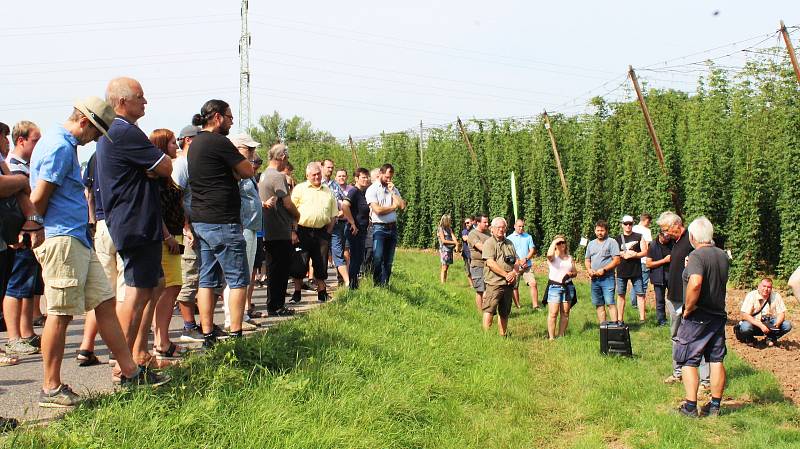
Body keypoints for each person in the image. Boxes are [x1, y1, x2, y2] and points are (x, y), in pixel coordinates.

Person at [30, 98, 169, 407]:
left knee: (105, 303)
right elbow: (39, 197)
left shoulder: (59, 140)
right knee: (61, 312)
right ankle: (51, 387)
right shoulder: (60, 146)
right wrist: (32, 226)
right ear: (85, 122)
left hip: (78, 237)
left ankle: (131, 373)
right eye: (97, 132)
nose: (96, 139)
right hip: (62, 238)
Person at [96, 77, 173, 367]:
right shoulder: (123, 132)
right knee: (138, 290)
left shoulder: (119, 132)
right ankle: (124, 366)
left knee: (155, 284)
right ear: (122, 102)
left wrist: (150, 170)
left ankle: (139, 353)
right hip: (134, 221)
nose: (145, 102)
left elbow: (160, 169)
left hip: (139, 220)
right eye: (140, 97)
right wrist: (152, 169)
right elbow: (165, 167)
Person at [188, 99, 254, 347]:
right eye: (229, 116)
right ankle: (236, 336)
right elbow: (247, 170)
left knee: (207, 278)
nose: (231, 121)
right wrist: (237, 166)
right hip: (223, 221)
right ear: (216, 117)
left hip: (202, 220)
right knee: (238, 279)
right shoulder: (219, 142)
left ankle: (207, 335)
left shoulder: (195, 144)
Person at [675, 217, 729, 418]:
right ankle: (714, 406)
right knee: (716, 359)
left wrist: (688, 308)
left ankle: (690, 407)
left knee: (689, 359)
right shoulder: (722, 255)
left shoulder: (697, 255)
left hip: (698, 315)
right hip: (718, 314)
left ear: (692, 236)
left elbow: (696, 283)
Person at [3, 121, 43, 356]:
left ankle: (26, 333)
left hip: (32, 233)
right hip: (21, 233)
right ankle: (13, 337)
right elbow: (22, 199)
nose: (38, 145)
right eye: (35, 140)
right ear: (22, 140)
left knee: (29, 285)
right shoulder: (13, 167)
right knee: (15, 286)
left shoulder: (26, 166)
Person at [148, 129, 188, 363]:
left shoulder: (167, 175)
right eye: (173, 142)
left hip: (175, 235)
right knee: (169, 287)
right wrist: (166, 236)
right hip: (166, 239)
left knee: (173, 286)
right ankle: (161, 341)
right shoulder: (156, 179)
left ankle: (162, 339)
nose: (177, 145)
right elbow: (155, 210)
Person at [659, 211, 710, 387]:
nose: (665, 232)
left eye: (666, 228)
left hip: (689, 298)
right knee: (676, 337)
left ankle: (705, 380)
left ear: (676, 225)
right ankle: (678, 372)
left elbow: (708, 251)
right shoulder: (676, 241)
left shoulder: (692, 237)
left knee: (697, 338)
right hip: (673, 297)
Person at [221, 133, 263, 332]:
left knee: (245, 275)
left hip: (252, 227)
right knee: (237, 275)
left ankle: (242, 314)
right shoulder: (233, 168)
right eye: (248, 149)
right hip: (241, 225)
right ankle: (231, 319)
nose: (253, 153)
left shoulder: (247, 169)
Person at [258, 143, 300, 316]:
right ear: (282, 157)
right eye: (287, 158)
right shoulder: (278, 176)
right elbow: (288, 203)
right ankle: (277, 306)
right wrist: (297, 216)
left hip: (268, 228)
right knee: (280, 271)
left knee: (273, 269)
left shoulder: (263, 175)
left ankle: (273, 305)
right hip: (279, 228)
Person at [172, 124, 203, 342]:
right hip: (188, 229)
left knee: (200, 276)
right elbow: (176, 197)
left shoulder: (193, 164)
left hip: (199, 225)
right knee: (189, 277)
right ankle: (188, 326)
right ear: (189, 140)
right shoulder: (182, 164)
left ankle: (198, 325)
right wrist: (185, 226)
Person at [292, 162, 338, 302]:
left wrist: (328, 233)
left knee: (321, 263)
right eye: (314, 174)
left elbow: (333, 214)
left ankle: (322, 293)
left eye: (318, 174)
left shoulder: (328, 191)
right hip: (302, 232)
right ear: (307, 175)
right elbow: (291, 212)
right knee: (300, 263)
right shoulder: (300, 189)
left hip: (321, 233)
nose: (317, 177)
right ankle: (297, 293)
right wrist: (293, 231)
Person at [366, 163, 406, 286]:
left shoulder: (393, 189)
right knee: (378, 257)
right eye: (387, 177)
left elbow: (402, 206)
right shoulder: (372, 189)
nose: (389, 180)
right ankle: (377, 283)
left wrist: (393, 192)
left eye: (391, 177)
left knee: (388, 260)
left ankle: (385, 284)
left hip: (392, 227)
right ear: (380, 174)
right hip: (379, 228)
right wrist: (393, 207)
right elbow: (377, 210)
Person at [481, 217, 519, 336]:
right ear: (492, 229)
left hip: (508, 284)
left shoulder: (509, 243)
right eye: (498, 227)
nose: (501, 230)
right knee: (489, 309)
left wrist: (514, 273)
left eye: (503, 227)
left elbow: (516, 261)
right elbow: (490, 263)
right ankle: (486, 336)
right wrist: (506, 274)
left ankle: (503, 334)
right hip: (494, 283)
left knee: (505, 312)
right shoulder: (489, 243)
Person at [736, 278, 792, 346]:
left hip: (770, 323)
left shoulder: (776, 296)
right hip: (754, 322)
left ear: (771, 288)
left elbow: (782, 313)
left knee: (787, 325)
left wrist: (777, 324)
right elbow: (744, 315)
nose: (766, 289)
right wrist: (761, 325)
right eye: (764, 286)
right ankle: (750, 339)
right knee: (745, 327)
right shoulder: (751, 295)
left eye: (768, 287)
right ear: (759, 286)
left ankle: (770, 338)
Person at [585, 220, 620, 323]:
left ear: (606, 231)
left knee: (610, 302)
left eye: (602, 230)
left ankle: (614, 326)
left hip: (607, 278)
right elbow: (587, 260)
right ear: (595, 231)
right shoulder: (591, 244)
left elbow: (617, 260)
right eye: (598, 230)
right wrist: (589, 269)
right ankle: (603, 327)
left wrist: (604, 269)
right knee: (599, 304)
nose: (600, 232)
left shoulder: (611, 242)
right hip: (594, 278)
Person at [615, 215, 648, 323]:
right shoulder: (617, 239)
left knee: (640, 294)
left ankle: (642, 319)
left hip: (636, 270)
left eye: (630, 223)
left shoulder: (639, 236)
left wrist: (635, 255)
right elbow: (613, 253)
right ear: (622, 225)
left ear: (633, 224)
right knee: (621, 294)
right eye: (626, 224)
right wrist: (622, 254)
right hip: (621, 270)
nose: (628, 226)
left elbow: (645, 251)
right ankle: (620, 319)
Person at [342, 168, 370, 290]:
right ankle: (352, 286)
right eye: (363, 177)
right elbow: (344, 206)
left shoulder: (364, 193)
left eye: (367, 177)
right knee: (355, 258)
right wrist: (352, 222)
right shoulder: (354, 191)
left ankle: (354, 284)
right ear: (356, 179)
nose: (366, 179)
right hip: (354, 230)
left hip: (362, 230)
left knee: (359, 258)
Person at [545, 235, 577, 340]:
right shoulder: (552, 257)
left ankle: (561, 335)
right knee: (553, 313)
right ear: (554, 245)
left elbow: (575, 272)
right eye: (559, 243)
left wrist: (571, 274)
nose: (561, 244)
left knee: (565, 312)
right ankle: (551, 337)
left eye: (563, 242)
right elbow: (549, 254)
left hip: (567, 286)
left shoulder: (570, 258)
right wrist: (555, 242)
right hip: (555, 287)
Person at [507, 219, 540, 309]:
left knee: (533, 283)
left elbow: (532, 250)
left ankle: (535, 305)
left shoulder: (528, 237)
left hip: (527, 266)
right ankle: (518, 306)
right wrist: (518, 262)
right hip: (515, 266)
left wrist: (525, 259)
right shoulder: (509, 238)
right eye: (519, 226)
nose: (521, 228)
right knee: (514, 286)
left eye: (522, 226)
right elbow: (510, 253)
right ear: (514, 226)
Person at [329, 166, 352, 286]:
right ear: (335, 177)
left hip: (347, 222)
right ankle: (341, 278)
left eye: (344, 175)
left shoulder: (350, 189)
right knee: (338, 251)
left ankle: (346, 276)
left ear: (347, 177)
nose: (342, 178)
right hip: (336, 223)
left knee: (346, 250)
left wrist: (344, 212)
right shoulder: (332, 188)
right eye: (339, 176)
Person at [646, 231, 672, 326]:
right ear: (660, 235)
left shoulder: (673, 243)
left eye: (669, 236)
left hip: (672, 275)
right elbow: (648, 264)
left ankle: (676, 318)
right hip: (658, 275)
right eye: (666, 237)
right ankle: (662, 321)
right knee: (660, 299)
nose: (668, 238)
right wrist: (664, 261)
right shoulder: (652, 245)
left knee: (674, 298)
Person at [468, 215, 491, 311]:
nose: (487, 224)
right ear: (478, 223)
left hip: (489, 265)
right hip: (478, 265)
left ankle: (488, 310)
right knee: (480, 290)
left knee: (489, 289)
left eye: (487, 222)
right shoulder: (473, 234)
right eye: (484, 222)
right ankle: (480, 312)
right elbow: (481, 247)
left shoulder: (489, 233)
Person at [631, 213, 653, 308]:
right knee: (643, 283)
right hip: (644, 259)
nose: (649, 224)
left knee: (635, 281)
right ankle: (639, 304)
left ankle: (633, 303)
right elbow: (648, 245)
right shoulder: (646, 231)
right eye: (649, 222)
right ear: (646, 220)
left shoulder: (633, 228)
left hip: (634, 259)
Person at [437, 214, 458, 283]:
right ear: (445, 221)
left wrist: (456, 242)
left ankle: (444, 282)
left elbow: (453, 236)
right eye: (449, 220)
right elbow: (443, 241)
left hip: (449, 249)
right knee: (444, 267)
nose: (450, 221)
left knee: (447, 267)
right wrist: (454, 243)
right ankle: (443, 283)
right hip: (444, 250)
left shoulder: (449, 228)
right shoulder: (440, 229)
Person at [460, 217, 474, 288]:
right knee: (468, 271)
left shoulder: (475, 231)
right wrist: (473, 239)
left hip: (474, 254)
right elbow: (465, 238)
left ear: (472, 222)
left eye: (468, 223)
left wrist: (470, 238)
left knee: (475, 270)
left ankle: (477, 285)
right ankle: (472, 285)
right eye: (465, 223)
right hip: (466, 254)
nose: (466, 224)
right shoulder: (464, 231)